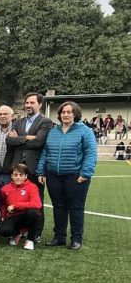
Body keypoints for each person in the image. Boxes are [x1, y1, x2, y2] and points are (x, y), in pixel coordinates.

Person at [37, 101, 97, 250]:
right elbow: (45, 152)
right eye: (63, 112)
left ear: (75, 114)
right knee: (58, 207)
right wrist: (41, 171)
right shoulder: (53, 131)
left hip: (75, 176)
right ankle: (59, 237)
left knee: (76, 208)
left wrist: (86, 173)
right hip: (53, 176)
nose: (65, 115)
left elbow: (91, 153)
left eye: (69, 112)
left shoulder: (85, 131)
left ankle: (76, 239)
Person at [8, 92, 54, 243]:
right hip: (17, 170)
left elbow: (39, 142)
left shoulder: (45, 122)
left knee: (36, 202)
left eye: (32, 103)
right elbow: (9, 141)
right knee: (17, 199)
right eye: (27, 102)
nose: (28, 105)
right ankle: (19, 230)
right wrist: (27, 138)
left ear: (40, 104)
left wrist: (19, 139)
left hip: (34, 169)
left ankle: (37, 232)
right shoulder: (18, 122)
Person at [0, 163, 42, 250]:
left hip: (26, 215)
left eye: (21, 175)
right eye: (15, 175)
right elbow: (3, 203)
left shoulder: (32, 187)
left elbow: (37, 204)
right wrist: (3, 215)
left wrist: (16, 205)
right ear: (11, 176)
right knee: (3, 231)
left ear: (26, 176)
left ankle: (30, 240)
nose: (18, 177)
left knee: (34, 213)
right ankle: (18, 233)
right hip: (12, 216)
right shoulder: (5, 189)